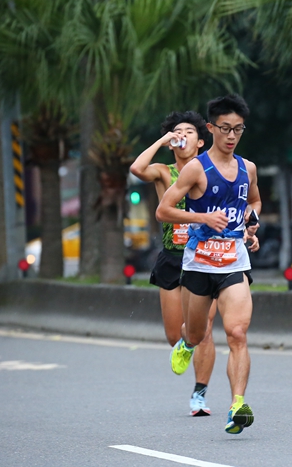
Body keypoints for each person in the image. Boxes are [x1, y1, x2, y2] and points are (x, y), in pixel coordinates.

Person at [156, 94, 261, 434]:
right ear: (212, 128)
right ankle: (186, 344)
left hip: (233, 261)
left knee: (237, 333)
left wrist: (251, 223)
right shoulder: (195, 168)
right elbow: (164, 211)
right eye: (226, 129)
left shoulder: (248, 168)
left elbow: (254, 200)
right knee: (198, 332)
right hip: (199, 264)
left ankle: (237, 405)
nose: (232, 136)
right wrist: (202, 216)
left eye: (238, 130)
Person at [130, 111, 217, 417]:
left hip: (207, 255)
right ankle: (185, 342)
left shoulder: (209, 171)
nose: (182, 135)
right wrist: (162, 140)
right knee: (174, 335)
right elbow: (136, 168)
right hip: (173, 257)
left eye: (189, 132)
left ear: (201, 141)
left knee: (204, 328)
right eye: (177, 132)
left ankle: (200, 395)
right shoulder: (164, 172)